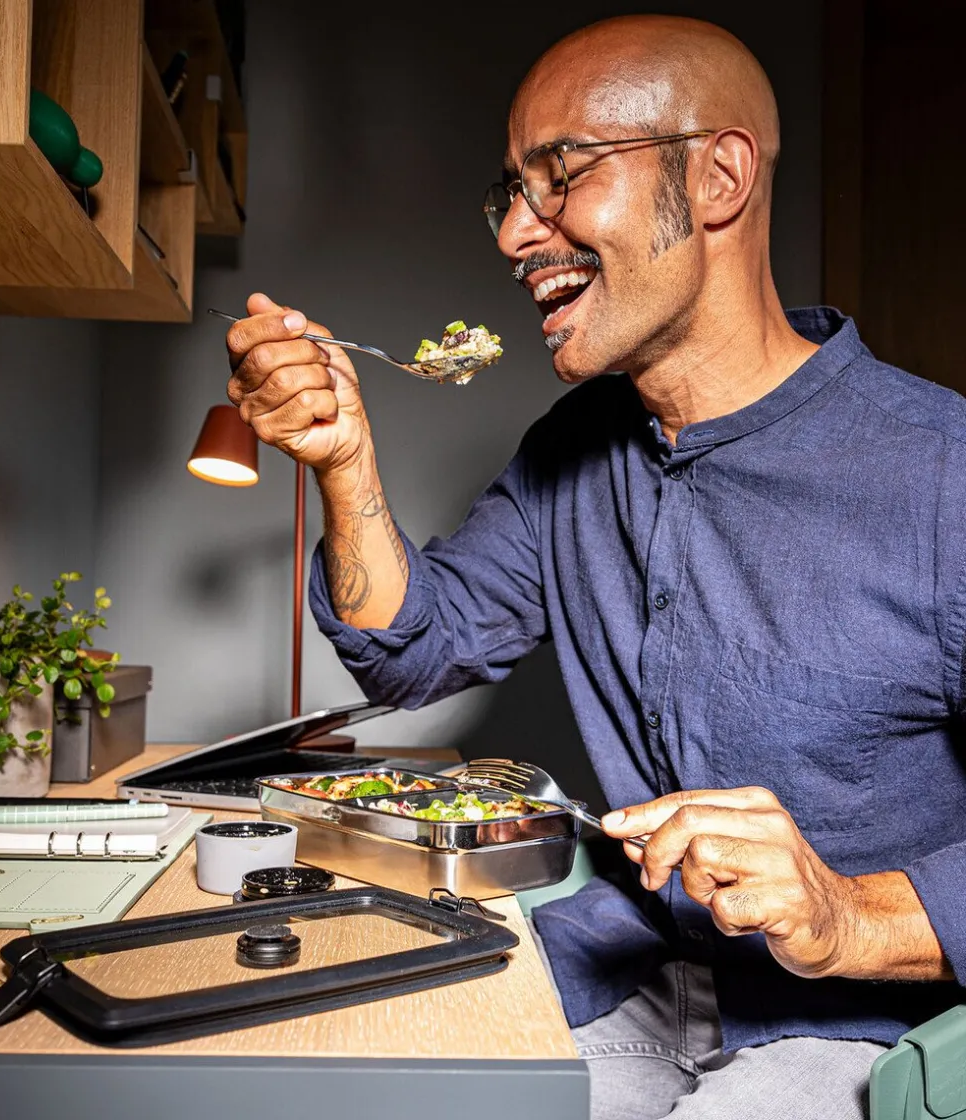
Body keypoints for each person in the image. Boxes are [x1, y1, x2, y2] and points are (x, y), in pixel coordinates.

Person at [225, 14, 966, 1119]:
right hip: (623, 973)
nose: (517, 234)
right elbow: (410, 653)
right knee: (346, 1075)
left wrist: (851, 913)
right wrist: (345, 462)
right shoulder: (566, 454)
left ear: (716, 177)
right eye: (508, 195)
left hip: (851, 1022)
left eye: (560, 175)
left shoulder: (944, 473)